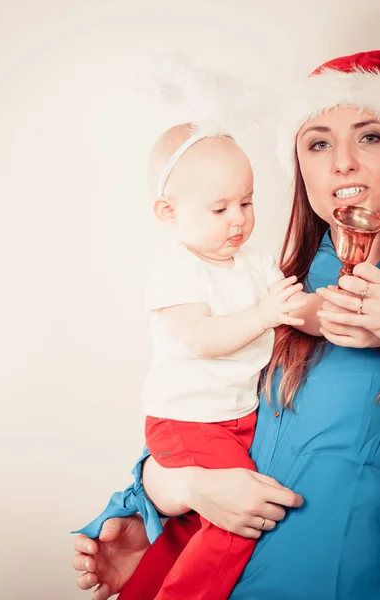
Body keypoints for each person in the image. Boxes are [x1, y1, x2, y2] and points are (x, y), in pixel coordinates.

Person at [73, 50, 380, 600]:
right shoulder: (282, 284)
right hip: (224, 574)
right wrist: (166, 499)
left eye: (371, 136)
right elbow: (211, 424)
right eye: (317, 143)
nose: (342, 164)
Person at [73, 122, 311, 600]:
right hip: (188, 422)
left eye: (246, 202)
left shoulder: (254, 261)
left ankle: (141, 589)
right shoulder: (177, 269)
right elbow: (202, 338)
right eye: (220, 208)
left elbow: (295, 309)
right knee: (236, 519)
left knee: (190, 527)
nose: (238, 220)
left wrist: (321, 313)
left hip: (237, 417)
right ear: (169, 211)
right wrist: (264, 313)